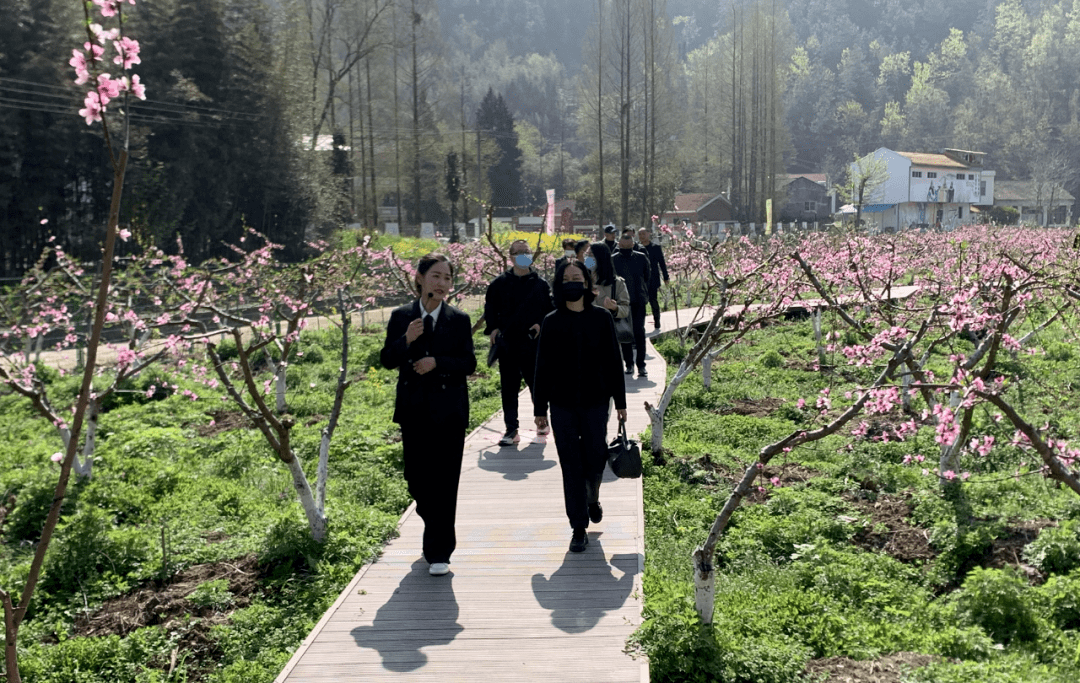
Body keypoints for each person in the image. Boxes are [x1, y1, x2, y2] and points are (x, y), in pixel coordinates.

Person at [380, 253, 476, 576]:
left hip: (450, 412)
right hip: (414, 410)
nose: (442, 283)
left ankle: (439, 552)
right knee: (417, 480)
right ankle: (431, 521)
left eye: (447, 278)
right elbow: (386, 360)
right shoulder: (401, 316)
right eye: (436, 276)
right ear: (420, 278)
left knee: (446, 482)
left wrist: (438, 362)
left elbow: (469, 363)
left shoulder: (459, 319)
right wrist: (406, 340)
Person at [533, 261, 627, 552]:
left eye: (577, 278)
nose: (572, 282)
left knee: (595, 456)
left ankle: (592, 496)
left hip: (596, 401)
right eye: (566, 279)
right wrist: (539, 409)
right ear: (559, 285)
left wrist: (621, 403)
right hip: (562, 405)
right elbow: (542, 368)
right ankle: (577, 526)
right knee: (570, 464)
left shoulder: (601, 318)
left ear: (587, 284)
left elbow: (614, 362)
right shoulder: (552, 320)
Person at [484, 239, 555, 446]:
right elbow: (490, 310)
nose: (524, 255)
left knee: (536, 385)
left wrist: (540, 325)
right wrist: (494, 328)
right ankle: (511, 428)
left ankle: (541, 420)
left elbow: (549, 310)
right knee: (508, 387)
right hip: (507, 343)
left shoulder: (540, 284)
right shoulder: (498, 284)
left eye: (527, 251)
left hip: (532, 343)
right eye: (519, 252)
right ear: (511, 256)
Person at [611, 230, 651, 378]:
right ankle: (628, 364)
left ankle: (641, 365)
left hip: (638, 300)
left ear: (633, 245)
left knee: (639, 332)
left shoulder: (641, 258)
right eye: (623, 246)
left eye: (628, 246)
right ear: (619, 245)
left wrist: (642, 290)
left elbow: (648, 275)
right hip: (622, 303)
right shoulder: (613, 259)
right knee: (625, 332)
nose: (625, 249)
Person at [587, 242, 630, 324]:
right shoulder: (582, 279)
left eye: (591, 255)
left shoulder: (617, 283)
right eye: (587, 255)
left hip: (605, 328)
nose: (587, 258)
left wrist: (615, 308)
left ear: (601, 258)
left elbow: (625, 310)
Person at [637, 227, 669, 330]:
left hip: (652, 278)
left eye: (643, 233)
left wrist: (666, 277)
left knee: (653, 300)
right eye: (639, 234)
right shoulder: (636, 247)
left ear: (649, 234)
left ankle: (657, 321)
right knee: (640, 303)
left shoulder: (655, 247)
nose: (642, 236)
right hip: (640, 280)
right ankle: (640, 325)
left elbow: (662, 263)